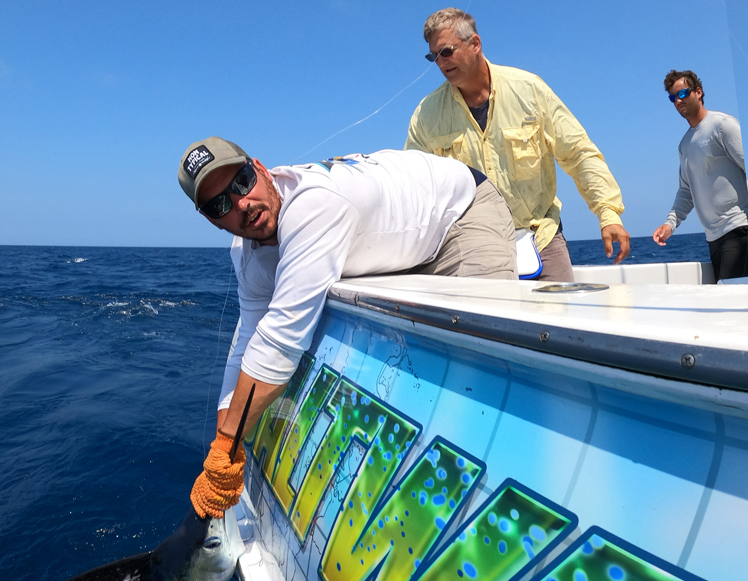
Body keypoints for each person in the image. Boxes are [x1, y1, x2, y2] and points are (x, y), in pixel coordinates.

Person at [177, 136, 517, 518]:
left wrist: (228, 445)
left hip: (458, 214)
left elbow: (277, 347)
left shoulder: (313, 207)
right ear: (211, 220)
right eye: (221, 204)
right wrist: (220, 449)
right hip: (397, 246)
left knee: (486, 364)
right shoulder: (246, 252)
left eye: (241, 182)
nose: (241, 204)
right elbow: (249, 340)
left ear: (259, 167)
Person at [404, 8, 630, 282]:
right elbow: (414, 187)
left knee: (555, 322)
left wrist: (608, 212)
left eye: (447, 52)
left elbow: (578, 153)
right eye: (433, 56)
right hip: (473, 248)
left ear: (475, 44)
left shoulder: (530, 89)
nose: (440, 63)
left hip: (541, 237)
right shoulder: (426, 114)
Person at [653, 70, 747, 282]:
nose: (678, 100)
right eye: (673, 97)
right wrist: (670, 224)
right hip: (713, 239)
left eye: (683, 93)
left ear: (698, 92)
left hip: (739, 230)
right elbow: (686, 191)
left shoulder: (723, 125)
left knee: (732, 303)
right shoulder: (685, 144)